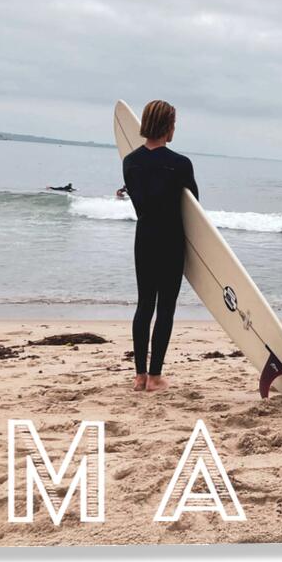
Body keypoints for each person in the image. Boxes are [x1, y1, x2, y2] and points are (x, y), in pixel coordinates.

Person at [123, 100, 198, 392]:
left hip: (144, 238)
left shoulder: (129, 161)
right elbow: (194, 208)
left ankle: (139, 375)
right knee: (165, 307)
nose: (175, 128)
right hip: (171, 240)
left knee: (144, 305)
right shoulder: (180, 164)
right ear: (167, 125)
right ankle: (155, 377)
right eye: (174, 123)